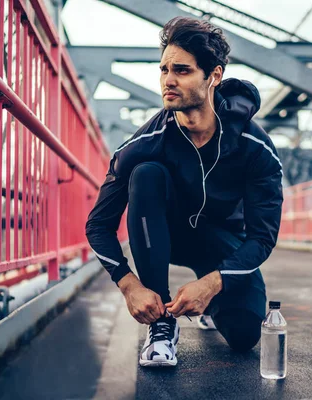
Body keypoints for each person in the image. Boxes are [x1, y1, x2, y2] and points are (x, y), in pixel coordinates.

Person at [85, 16, 283, 367]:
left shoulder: (255, 147)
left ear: (214, 77)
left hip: (222, 242)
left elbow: (262, 238)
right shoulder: (145, 143)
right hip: (164, 235)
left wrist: (212, 284)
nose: (168, 80)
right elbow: (98, 225)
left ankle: (213, 307)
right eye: (163, 70)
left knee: (244, 337)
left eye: (182, 70)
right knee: (146, 175)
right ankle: (162, 328)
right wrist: (130, 285)